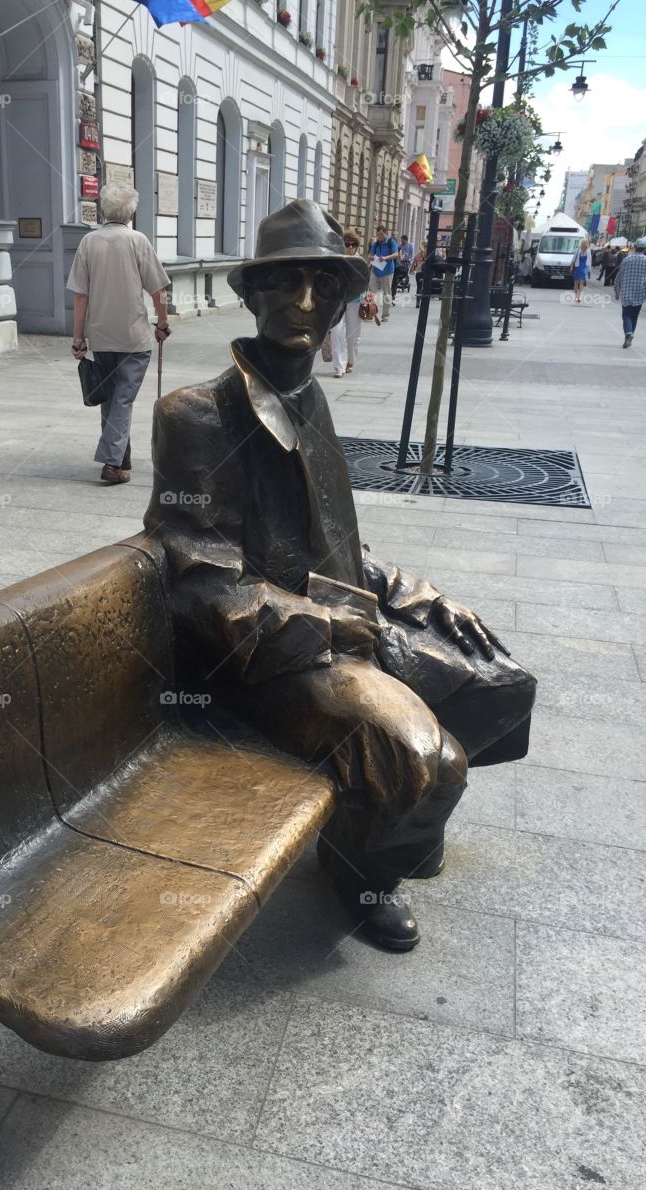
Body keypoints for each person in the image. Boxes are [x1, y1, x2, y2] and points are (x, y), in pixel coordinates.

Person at [145, 200, 536, 952]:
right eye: (286, 284)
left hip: (337, 621)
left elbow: (335, 545)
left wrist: (416, 595)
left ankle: (385, 825)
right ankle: (363, 874)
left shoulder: (308, 396)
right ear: (251, 293)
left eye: (324, 287)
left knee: (503, 683)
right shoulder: (196, 415)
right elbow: (200, 582)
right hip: (259, 661)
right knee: (430, 758)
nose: (304, 304)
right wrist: (334, 625)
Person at [67, 183, 171, 485]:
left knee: (112, 398)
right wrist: (162, 322)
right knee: (122, 399)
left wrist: (78, 337)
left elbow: (80, 296)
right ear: (131, 214)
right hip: (134, 336)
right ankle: (112, 464)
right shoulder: (138, 241)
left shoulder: (89, 242)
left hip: (101, 336)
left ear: (103, 210)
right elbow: (158, 290)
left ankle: (121, 455)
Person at [323, 229, 364, 377]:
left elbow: (365, 282)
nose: (351, 247)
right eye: (347, 244)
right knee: (336, 332)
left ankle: (350, 361)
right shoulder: (336, 260)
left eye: (354, 245)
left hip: (355, 301)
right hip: (338, 302)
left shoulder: (360, 262)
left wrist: (369, 296)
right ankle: (339, 367)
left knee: (353, 336)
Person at [615, 236, 646, 349]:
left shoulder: (627, 259)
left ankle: (628, 334)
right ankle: (630, 335)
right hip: (640, 292)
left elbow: (619, 276)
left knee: (626, 315)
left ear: (635, 247)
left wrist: (617, 290)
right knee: (634, 316)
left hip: (627, 291)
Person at [367, 223, 400, 321]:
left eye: (381, 235)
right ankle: (371, 312)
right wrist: (374, 257)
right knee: (371, 293)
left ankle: (385, 315)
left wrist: (386, 257)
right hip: (375, 270)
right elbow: (369, 255)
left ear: (386, 233)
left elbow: (396, 254)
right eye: (378, 235)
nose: (379, 237)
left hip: (387, 271)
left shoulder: (391, 242)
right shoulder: (376, 243)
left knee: (387, 294)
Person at [392, 233, 414, 302]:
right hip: (399, 263)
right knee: (395, 280)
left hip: (406, 262)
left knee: (404, 273)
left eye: (402, 240)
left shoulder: (410, 246)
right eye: (401, 240)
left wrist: (410, 260)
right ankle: (393, 295)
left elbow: (411, 254)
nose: (401, 242)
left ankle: (403, 281)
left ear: (406, 240)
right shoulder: (399, 246)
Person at [571, 237, 593, 303]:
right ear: (583, 243)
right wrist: (571, 266)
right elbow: (574, 258)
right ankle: (576, 296)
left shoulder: (588, 251)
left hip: (584, 267)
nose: (587, 244)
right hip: (577, 267)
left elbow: (590, 260)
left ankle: (579, 296)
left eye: (587, 243)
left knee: (581, 282)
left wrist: (589, 270)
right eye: (586, 243)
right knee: (576, 283)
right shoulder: (578, 250)